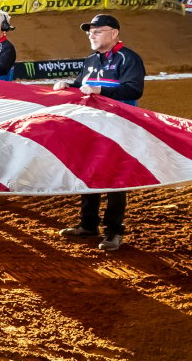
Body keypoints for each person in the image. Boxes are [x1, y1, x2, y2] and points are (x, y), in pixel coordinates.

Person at [53, 14, 145, 252]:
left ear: (114, 33)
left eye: (97, 31)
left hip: (119, 127)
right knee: (89, 172)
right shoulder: (91, 59)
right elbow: (81, 85)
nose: (91, 35)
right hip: (92, 126)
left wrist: (100, 89)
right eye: (90, 32)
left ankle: (114, 231)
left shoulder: (128, 58)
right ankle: (88, 225)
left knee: (115, 179)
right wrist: (67, 85)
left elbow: (135, 88)